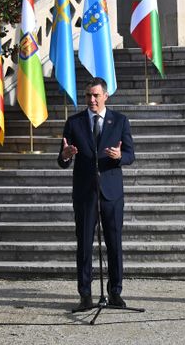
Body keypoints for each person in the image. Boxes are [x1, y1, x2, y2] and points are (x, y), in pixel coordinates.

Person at [58, 77, 135, 312]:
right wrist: (67, 154)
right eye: (88, 96)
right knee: (84, 244)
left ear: (106, 96)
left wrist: (119, 157)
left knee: (114, 243)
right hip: (85, 192)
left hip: (111, 192)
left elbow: (131, 155)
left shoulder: (119, 121)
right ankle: (85, 294)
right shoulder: (74, 123)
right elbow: (61, 160)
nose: (91, 100)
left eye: (96, 95)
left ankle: (115, 292)